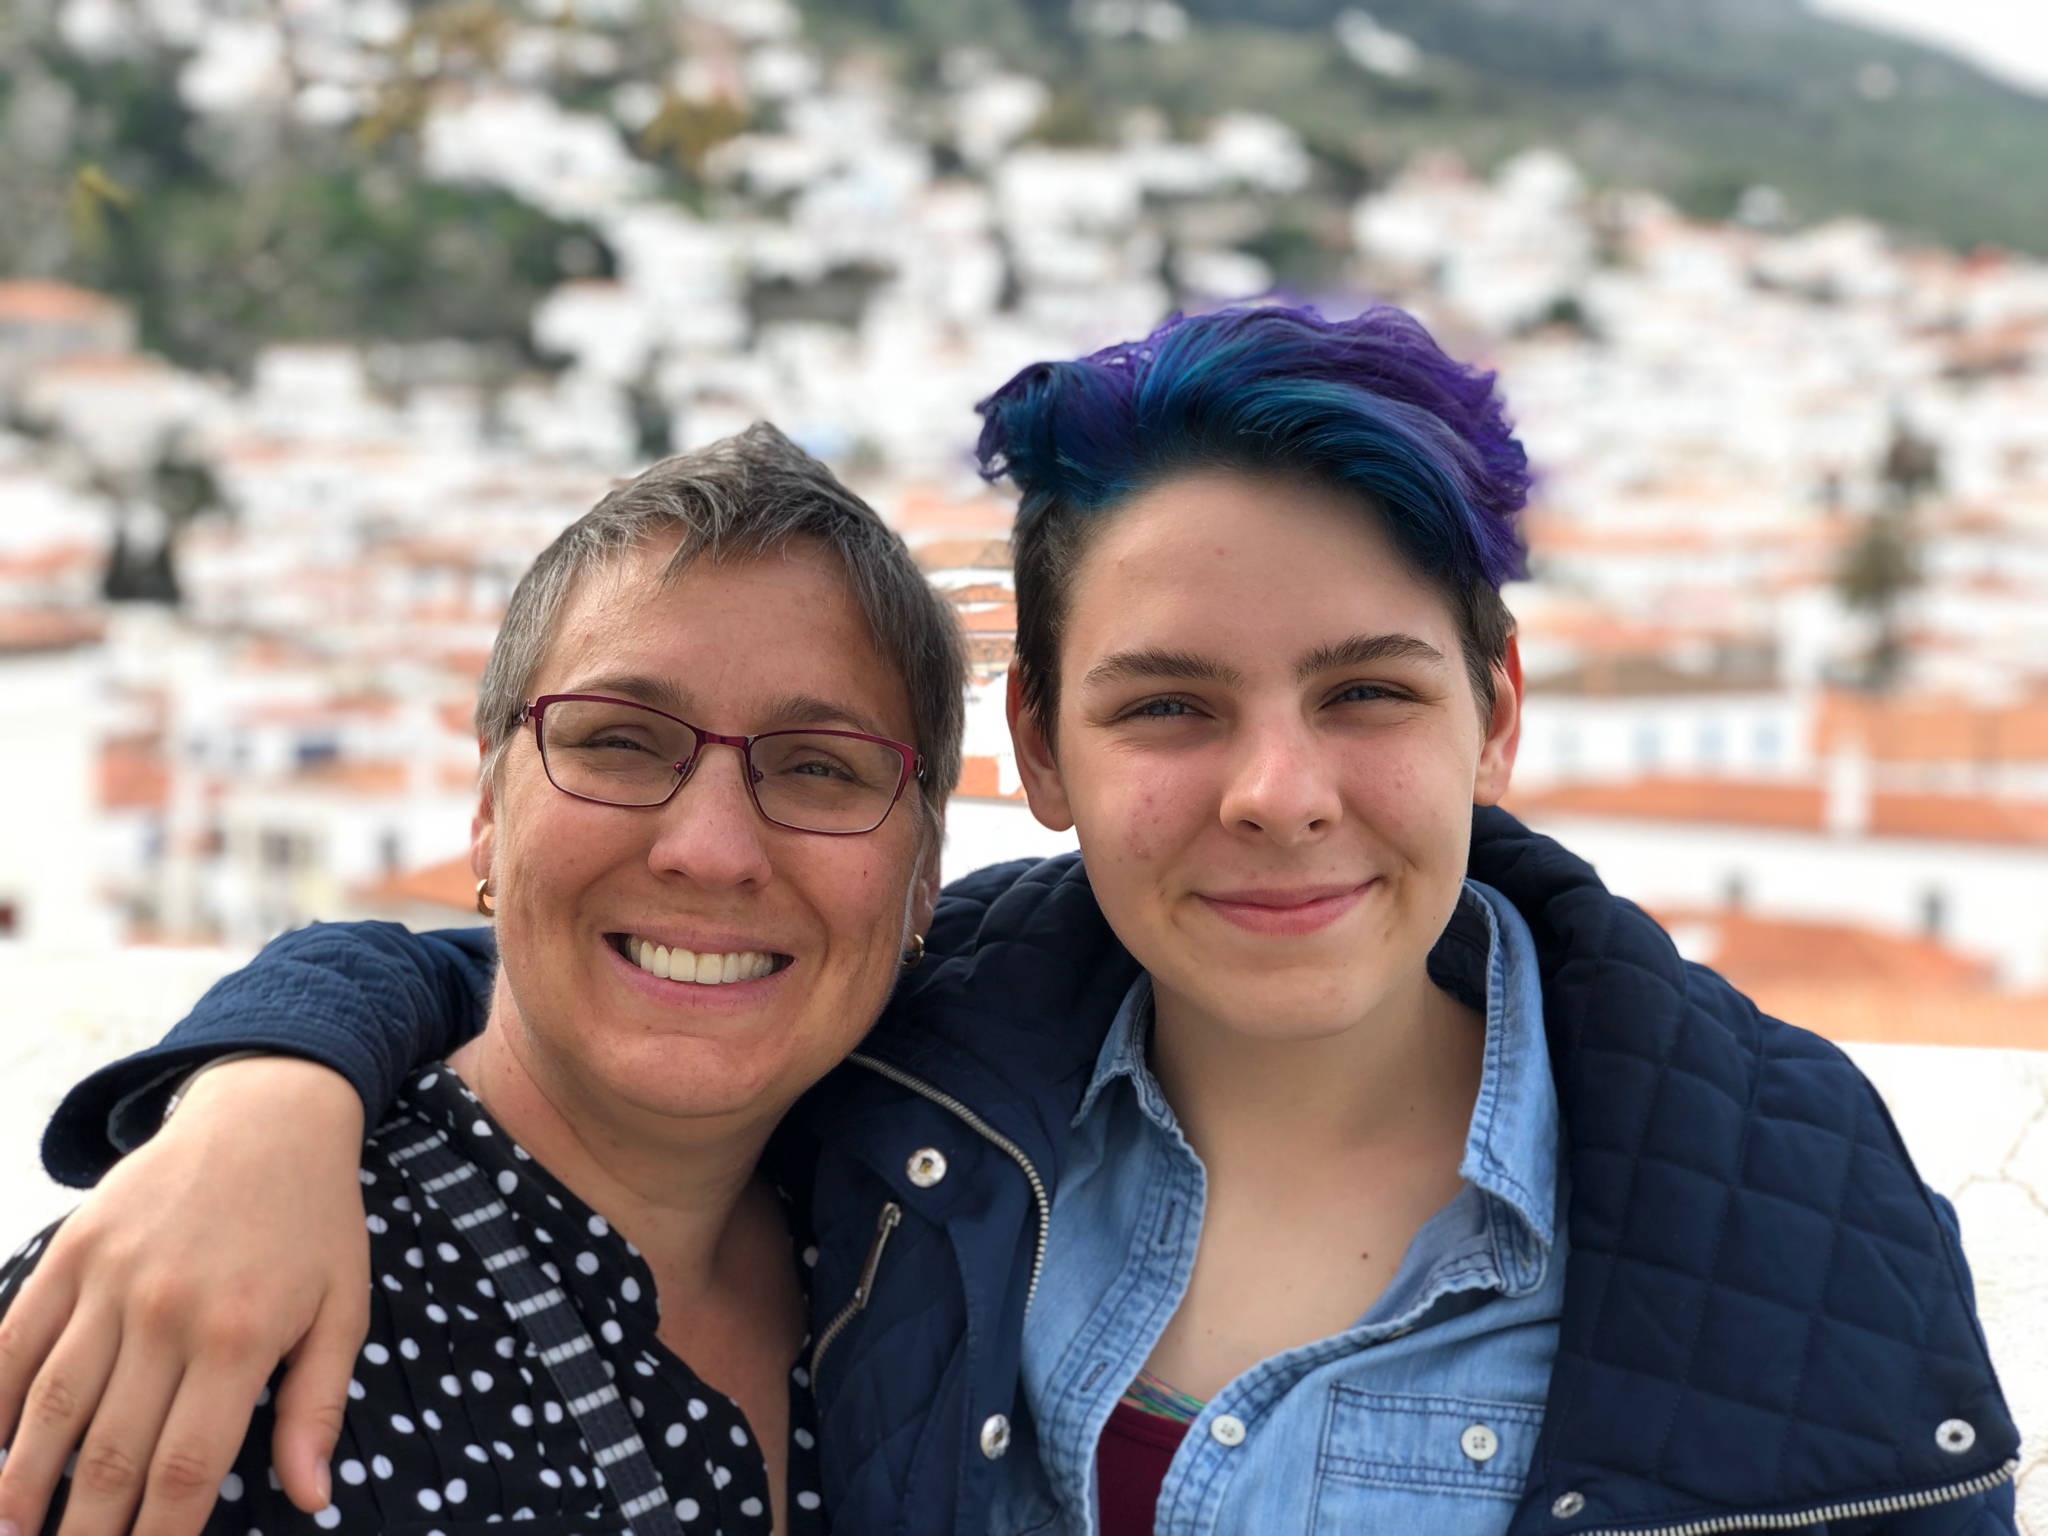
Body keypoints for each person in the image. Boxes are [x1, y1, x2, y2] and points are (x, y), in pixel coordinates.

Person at [0, 308, 2018, 1536]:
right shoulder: (935, 1083)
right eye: (1167, 704)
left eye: (1369, 693)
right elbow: (587, 985)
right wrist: (267, 1089)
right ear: (1034, 748)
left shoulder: (1787, 1215)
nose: (1275, 790)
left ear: (1496, 710)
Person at [0, 422, 968, 1535]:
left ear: (923, 878)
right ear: (487, 824)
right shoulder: (212, 1309)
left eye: (817, 768)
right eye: (617, 742)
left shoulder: (924, 1220)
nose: (709, 848)